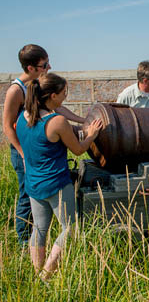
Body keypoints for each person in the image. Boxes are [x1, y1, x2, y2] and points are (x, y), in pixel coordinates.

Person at [16, 72, 102, 280]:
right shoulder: (57, 121)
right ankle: (46, 274)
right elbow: (79, 149)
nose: (66, 97)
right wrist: (91, 134)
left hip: (34, 184)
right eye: (64, 93)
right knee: (70, 228)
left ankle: (37, 274)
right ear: (52, 96)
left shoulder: (23, 117)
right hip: (56, 183)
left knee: (39, 228)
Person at [2, 44, 84, 247]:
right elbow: (7, 126)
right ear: (30, 68)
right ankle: (23, 245)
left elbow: (57, 107)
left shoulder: (39, 85)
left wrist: (82, 121)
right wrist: (23, 154)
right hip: (27, 150)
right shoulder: (16, 90)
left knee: (40, 215)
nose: (49, 67)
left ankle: (35, 256)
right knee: (25, 199)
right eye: (44, 64)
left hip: (40, 148)